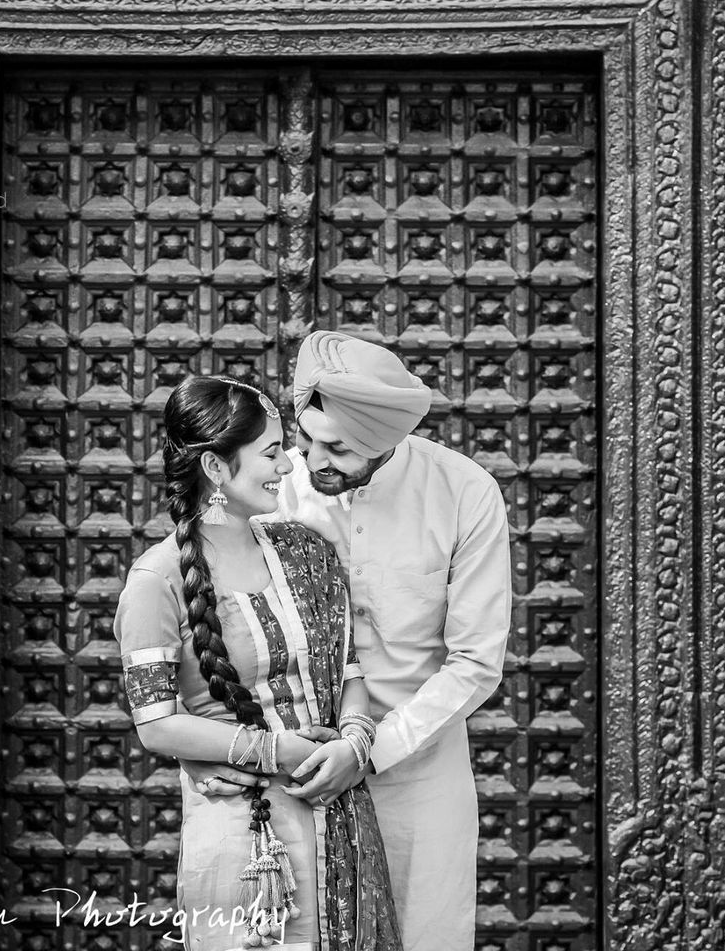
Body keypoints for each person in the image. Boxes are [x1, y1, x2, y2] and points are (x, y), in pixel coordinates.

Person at [112, 374, 403, 951]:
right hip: (244, 835)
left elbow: (347, 673)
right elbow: (155, 724)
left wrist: (353, 742)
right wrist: (274, 749)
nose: (290, 467)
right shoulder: (156, 579)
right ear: (216, 469)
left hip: (337, 815)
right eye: (271, 452)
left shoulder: (306, 550)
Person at [277, 330, 513, 951]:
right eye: (306, 439)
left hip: (417, 777)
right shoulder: (281, 482)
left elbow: (475, 662)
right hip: (290, 767)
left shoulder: (463, 493)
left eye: (338, 449)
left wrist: (372, 749)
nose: (312, 460)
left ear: (387, 442)